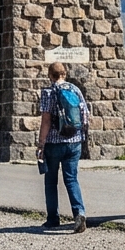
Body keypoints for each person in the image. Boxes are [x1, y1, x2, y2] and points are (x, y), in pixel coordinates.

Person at [38, 62, 90, 233]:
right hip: (74, 141)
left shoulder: (48, 92)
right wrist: (82, 138)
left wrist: (41, 143)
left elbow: (46, 120)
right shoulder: (75, 90)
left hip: (53, 142)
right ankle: (79, 213)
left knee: (51, 181)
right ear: (64, 74)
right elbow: (85, 116)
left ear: (50, 75)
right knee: (71, 179)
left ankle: (53, 219)